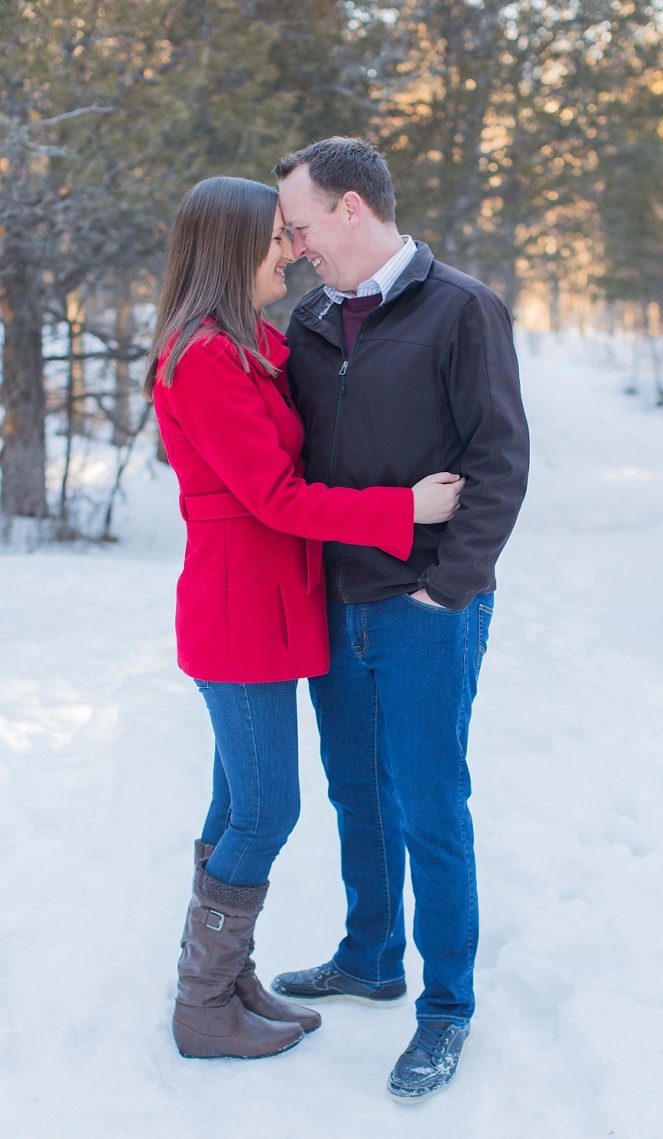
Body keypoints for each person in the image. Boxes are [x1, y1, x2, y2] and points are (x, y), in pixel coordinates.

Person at [141, 176, 464, 1062]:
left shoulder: (243, 347)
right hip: (240, 610)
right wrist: (404, 510)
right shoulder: (202, 357)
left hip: (271, 608)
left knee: (235, 799)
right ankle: (203, 1003)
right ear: (231, 250)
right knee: (267, 810)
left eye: (293, 236)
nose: (289, 252)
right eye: (276, 240)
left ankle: (225, 975)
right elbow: (276, 497)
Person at [270, 138, 530, 1100]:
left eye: (298, 224)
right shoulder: (310, 318)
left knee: (429, 803)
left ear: (350, 209)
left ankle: (446, 1008)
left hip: (426, 608)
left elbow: (500, 461)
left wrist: (449, 588)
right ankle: (371, 954)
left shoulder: (461, 308)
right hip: (337, 604)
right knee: (355, 791)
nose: (293, 246)